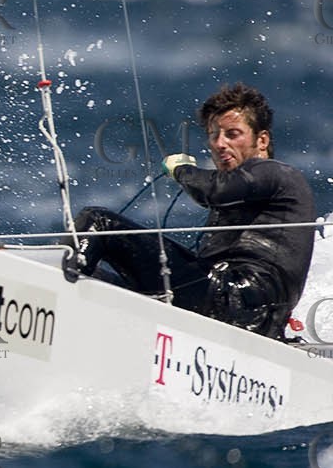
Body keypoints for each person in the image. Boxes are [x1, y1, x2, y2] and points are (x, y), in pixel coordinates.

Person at [71, 83, 316, 338]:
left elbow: (215, 190)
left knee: (97, 224)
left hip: (240, 300)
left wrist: (182, 169)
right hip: (243, 310)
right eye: (213, 135)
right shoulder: (246, 193)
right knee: (99, 281)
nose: (220, 144)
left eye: (232, 134)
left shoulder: (277, 172)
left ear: (262, 140)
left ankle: (53, 306)